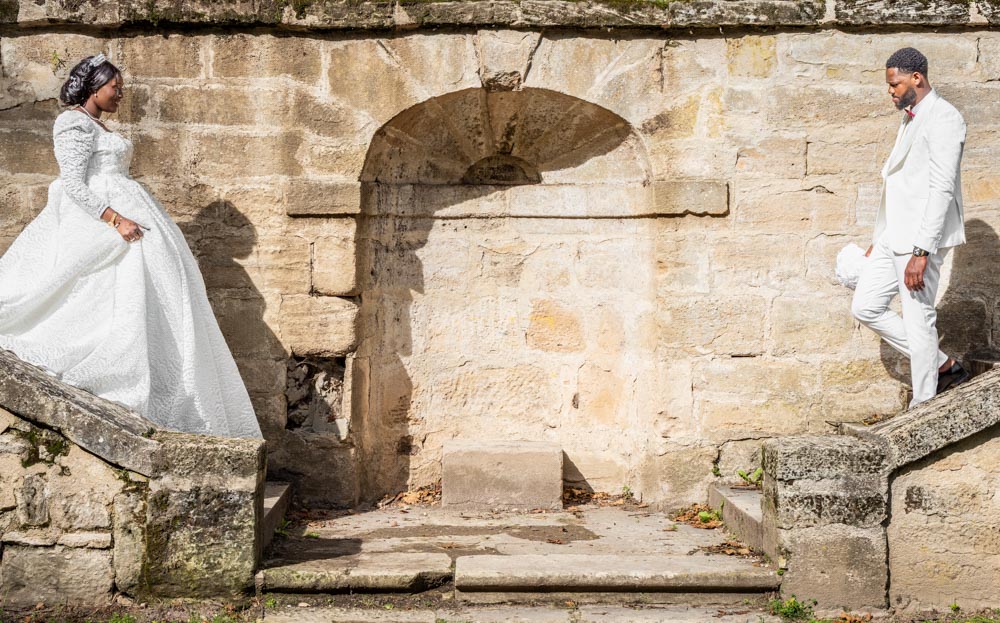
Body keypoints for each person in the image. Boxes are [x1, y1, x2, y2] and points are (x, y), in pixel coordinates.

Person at [0, 54, 262, 438]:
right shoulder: (72, 122)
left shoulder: (99, 127)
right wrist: (114, 219)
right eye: (114, 87)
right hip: (100, 221)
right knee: (91, 290)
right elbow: (73, 184)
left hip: (129, 210)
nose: (120, 94)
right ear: (93, 86)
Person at [851, 47, 969, 408]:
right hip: (892, 238)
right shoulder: (909, 117)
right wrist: (879, 238)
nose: (890, 91)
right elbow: (897, 182)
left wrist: (923, 251)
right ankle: (942, 364)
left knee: (919, 321)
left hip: (919, 241)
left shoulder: (945, 118)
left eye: (895, 84)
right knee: (865, 305)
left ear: (916, 78)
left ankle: (924, 404)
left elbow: (941, 189)